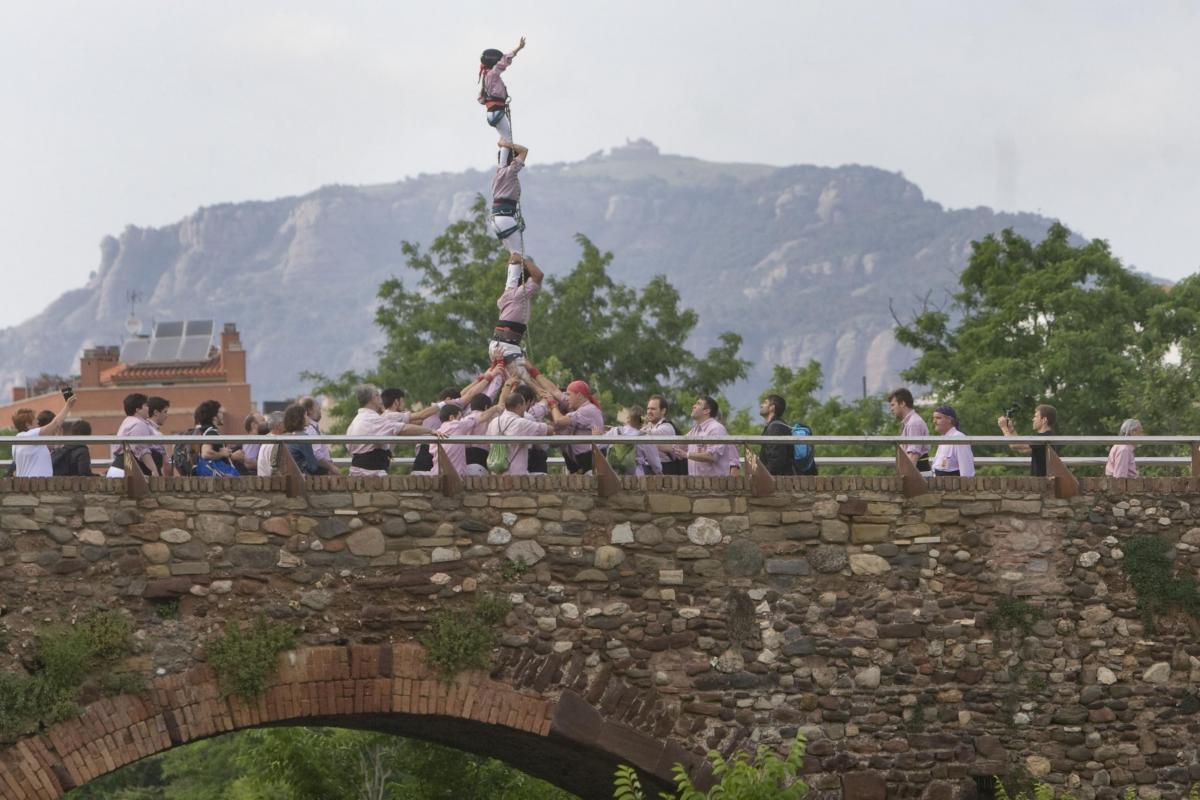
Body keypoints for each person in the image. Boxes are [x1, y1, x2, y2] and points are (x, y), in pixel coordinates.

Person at [346, 385, 439, 477]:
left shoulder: (355, 422)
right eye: (377, 395)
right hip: (371, 475)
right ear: (372, 399)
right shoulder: (373, 419)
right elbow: (403, 428)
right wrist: (430, 430)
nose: (380, 399)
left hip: (357, 473)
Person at [430, 382, 510, 478]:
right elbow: (493, 410)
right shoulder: (460, 424)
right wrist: (506, 387)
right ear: (486, 407)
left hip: (463, 458)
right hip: (481, 457)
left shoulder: (460, 422)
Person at [489, 254, 543, 382]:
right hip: (506, 346)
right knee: (525, 385)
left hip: (501, 344)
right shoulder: (519, 294)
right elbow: (539, 276)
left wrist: (514, 263)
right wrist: (521, 260)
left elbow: (510, 281)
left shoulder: (507, 294)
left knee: (515, 385)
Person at [487, 380, 553, 475]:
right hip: (516, 475)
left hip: (497, 474)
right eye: (523, 405)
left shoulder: (493, 422)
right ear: (519, 406)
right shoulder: (521, 423)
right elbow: (548, 430)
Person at [478, 37, 526, 162]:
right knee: (507, 139)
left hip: (493, 112)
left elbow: (481, 99)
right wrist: (518, 48)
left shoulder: (485, 76)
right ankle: (503, 165)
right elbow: (504, 61)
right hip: (497, 111)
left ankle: (504, 161)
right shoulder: (492, 74)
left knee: (505, 137)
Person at [12, 394, 76, 477]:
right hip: (36, 485)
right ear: (28, 424)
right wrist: (68, 406)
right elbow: (55, 423)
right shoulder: (30, 436)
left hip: (29, 484)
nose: (38, 423)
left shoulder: (17, 440)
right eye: (35, 421)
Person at [548, 380, 605, 474]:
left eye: (568, 395)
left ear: (579, 395)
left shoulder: (588, 409)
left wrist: (552, 404)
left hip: (590, 465)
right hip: (579, 467)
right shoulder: (576, 413)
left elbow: (559, 420)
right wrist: (529, 377)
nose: (566, 398)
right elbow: (553, 390)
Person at [683, 396, 740, 477]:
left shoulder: (718, 429)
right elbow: (678, 445)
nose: (693, 406)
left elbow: (734, 464)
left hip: (713, 486)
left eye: (698, 404)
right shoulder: (694, 430)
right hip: (697, 484)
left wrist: (687, 454)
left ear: (707, 411)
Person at [998, 404, 1058, 477]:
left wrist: (1003, 427)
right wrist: (1011, 429)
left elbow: (1014, 445)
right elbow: (1021, 449)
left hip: (1042, 484)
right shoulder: (1046, 437)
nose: (1033, 419)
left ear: (1044, 420)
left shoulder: (1043, 439)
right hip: (1041, 483)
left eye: (1035, 416)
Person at [491, 142, 529, 254]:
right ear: (511, 159)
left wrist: (505, 145)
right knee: (519, 254)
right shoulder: (510, 172)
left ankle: (513, 271)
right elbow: (524, 151)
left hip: (498, 218)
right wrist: (506, 143)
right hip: (505, 218)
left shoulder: (499, 174)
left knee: (515, 254)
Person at [604, 405, 662, 476]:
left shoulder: (615, 431)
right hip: (635, 475)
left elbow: (598, 445)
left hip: (613, 474)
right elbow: (654, 462)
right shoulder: (644, 437)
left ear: (628, 418)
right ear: (642, 421)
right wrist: (659, 472)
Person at [112, 393, 160, 476]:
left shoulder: (128, 421)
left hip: (122, 469)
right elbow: (142, 450)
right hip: (128, 471)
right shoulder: (138, 424)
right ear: (138, 409)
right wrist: (154, 470)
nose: (149, 408)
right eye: (146, 406)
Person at [194, 400, 241, 477]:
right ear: (214, 417)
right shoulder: (211, 432)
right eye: (219, 412)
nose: (222, 415)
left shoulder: (206, 431)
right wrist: (222, 454)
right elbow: (206, 453)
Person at [888, 388, 931, 473]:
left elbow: (913, 454)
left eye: (893, 405)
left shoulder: (913, 423)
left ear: (902, 403)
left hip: (918, 472)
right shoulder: (909, 422)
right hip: (917, 470)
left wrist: (907, 476)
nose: (891, 409)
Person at [645, 394, 685, 476]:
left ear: (663, 411)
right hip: (650, 468)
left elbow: (648, 434)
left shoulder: (667, 427)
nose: (649, 412)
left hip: (665, 469)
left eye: (653, 409)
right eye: (648, 408)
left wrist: (630, 428)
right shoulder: (649, 426)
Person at [758, 394, 796, 476]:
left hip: (779, 481)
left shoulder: (775, 428)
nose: (761, 405)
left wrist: (763, 475)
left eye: (765, 403)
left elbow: (776, 460)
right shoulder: (775, 426)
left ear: (772, 407)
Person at [931, 405, 974, 477]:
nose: (934, 421)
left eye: (938, 418)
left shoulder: (959, 438)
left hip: (952, 486)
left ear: (949, 419)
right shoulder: (943, 438)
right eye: (934, 418)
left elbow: (967, 472)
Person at [283, 403, 326, 475]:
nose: (308, 417)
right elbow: (313, 466)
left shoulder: (288, 437)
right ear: (300, 418)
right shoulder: (303, 438)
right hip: (302, 478)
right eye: (305, 415)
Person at [299, 396, 338, 474]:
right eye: (317, 405)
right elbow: (317, 454)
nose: (319, 408)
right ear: (310, 410)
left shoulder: (313, 428)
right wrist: (332, 468)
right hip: (319, 474)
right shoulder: (309, 429)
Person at [256, 412, 286, 477]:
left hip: (265, 482)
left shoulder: (267, 441)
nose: (287, 425)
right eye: (285, 422)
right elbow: (275, 470)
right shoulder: (275, 443)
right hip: (271, 483)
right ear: (279, 425)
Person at [147, 396, 170, 474]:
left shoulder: (142, 428)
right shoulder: (157, 435)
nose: (167, 416)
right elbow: (166, 463)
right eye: (165, 412)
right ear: (156, 413)